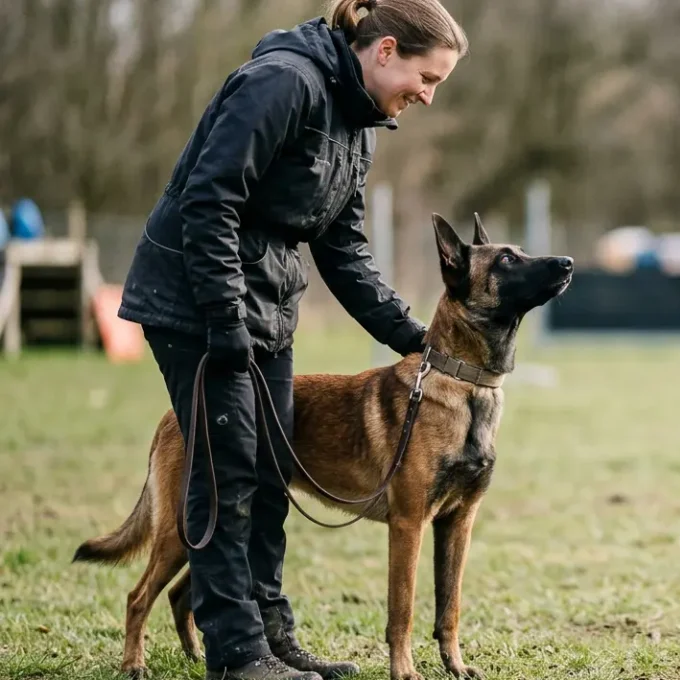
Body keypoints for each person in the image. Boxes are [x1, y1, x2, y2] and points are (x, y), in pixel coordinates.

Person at [116, 1, 468, 678]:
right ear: (386, 50)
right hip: (195, 301)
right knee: (228, 473)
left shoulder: (359, 120)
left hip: (266, 308)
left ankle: (274, 637)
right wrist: (223, 319)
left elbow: (344, 252)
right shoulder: (283, 82)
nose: (425, 96)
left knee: (273, 475)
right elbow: (209, 199)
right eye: (428, 78)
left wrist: (415, 339)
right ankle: (237, 654)